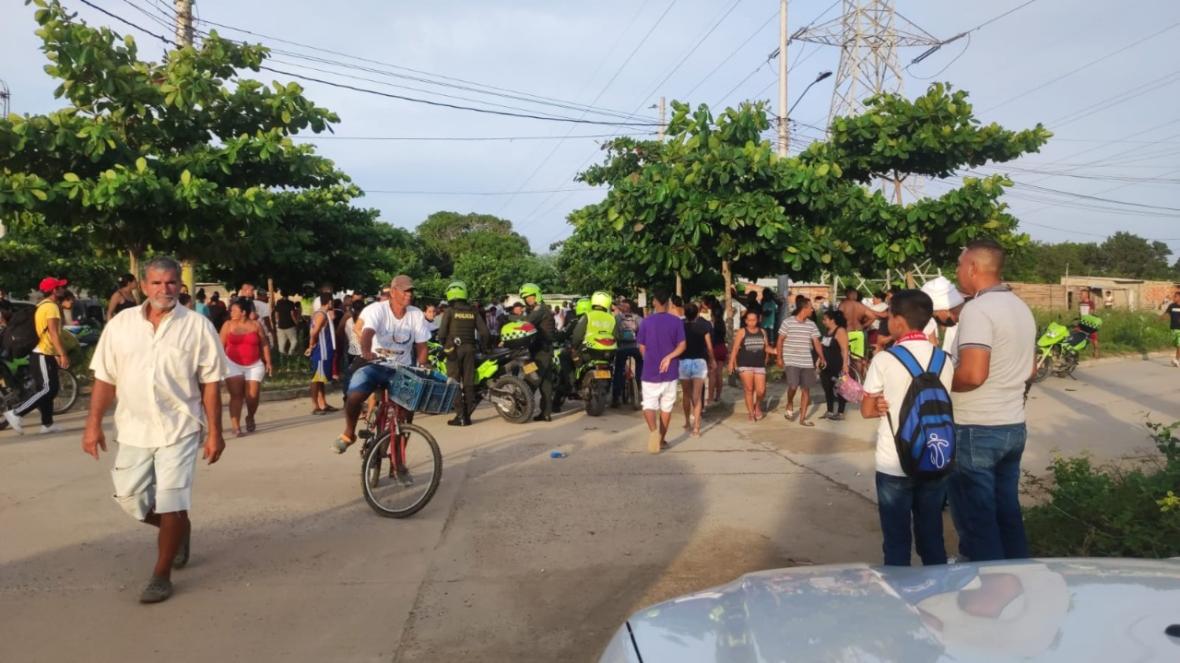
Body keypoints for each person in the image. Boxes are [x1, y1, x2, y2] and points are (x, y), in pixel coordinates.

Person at [82, 256, 228, 603]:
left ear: (181, 285)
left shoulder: (197, 326)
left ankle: (161, 574)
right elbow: (104, 377)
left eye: (172, 283)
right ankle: (178, 529)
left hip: (179, 426)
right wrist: (92, 426)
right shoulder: (121, 325)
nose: (165, 289)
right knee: (129, 498)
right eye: (157, 283)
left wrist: (215, 432)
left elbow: (210, 383)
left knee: (172, 499)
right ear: (143, 286)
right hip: (133, 426)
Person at [950, 238, 1037, 562]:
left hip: (976, 429)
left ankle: (988, 600)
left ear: (972, 267)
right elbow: (1029, 368)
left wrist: (940, 385)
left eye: (959, 265)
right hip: (1012, 425)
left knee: (978, 522)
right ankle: (1015, 582)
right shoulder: (1020, 307)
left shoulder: (978, 309)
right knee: (1006, 514)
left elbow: (972, 374)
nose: (958, 271)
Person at [860, 289, 954, 567]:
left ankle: (899, 601)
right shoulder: (944, 359)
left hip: (894, 463)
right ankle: (936, 597)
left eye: (889, 314)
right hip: (936, 457)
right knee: (932, 537)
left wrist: (877, 405)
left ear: (898, 320)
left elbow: (866, 410)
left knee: (897, 542)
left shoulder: (885, 359)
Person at [335, 275, 430, 456]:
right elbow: (368, 333)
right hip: (377, 364)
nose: (409, 295)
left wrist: (423, 364)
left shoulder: (416, 314)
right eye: (405, 291)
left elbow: (422, 346)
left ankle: (398, 461)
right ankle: (349, 433)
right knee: (354, 396)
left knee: (408, 411)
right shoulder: (377, 310)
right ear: (393, 292)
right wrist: (366, 351)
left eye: (411, 291)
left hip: (402, 369)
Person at [3, 277, 71, 435]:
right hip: (42, 353)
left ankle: (47, 424)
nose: (62, 289)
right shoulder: (51, 307)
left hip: (41, 352)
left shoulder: (41, 305)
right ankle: (16, 413)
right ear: (54, 291)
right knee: (48, 388)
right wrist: (62, 354)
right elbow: (53, 333)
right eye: (59, 287)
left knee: (48, 389)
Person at [637, 289, 686, 453]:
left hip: (650, 370)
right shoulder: (677, 322)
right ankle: (662, 439)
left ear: (654, 302)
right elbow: (682, 346)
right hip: (670, 371)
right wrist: (669, 357)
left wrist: (650, 358)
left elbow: (642, 346)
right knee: (666, 407)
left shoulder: (646, 322)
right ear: (669, 303)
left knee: (649, 405)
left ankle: (653, 431)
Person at [437, 281, 489, 427]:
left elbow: (441, 334)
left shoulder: (449, 311)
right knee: (468, 381)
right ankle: (468, 415)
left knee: (453, 382)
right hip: (470, 349)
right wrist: (484, 348)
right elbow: (484, 332)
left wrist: (445, 345)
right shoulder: (473, 311)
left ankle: (460, 416)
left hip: (453, 351)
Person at [220, 300, 272, 437]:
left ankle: (250, 416)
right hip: (232, 363)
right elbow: (220, 345)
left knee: (252, 397)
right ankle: (236, 426)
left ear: (243, 312)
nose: (231, 313)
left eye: (234, 310)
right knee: (236, 395)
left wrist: (268, 361)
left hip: (254, 364)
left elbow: (264, 343)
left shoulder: (256, 325)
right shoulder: (228, 325)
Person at [776, 297, 826, 427]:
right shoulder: (788, 322)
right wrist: (779, 358)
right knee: (793, 385)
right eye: (810, 307)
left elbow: (816, 342)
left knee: (806, 389)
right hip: (791, 359)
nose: (812, 309)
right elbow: (780, 340)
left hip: (806, 361)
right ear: (804, 308)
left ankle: (802, 419)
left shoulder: (811, 324)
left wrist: (822, 357)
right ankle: (789, 402)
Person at [520, 283, 558, 422]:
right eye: (526, 298)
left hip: (540, 351)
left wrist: (512, 321)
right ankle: (546, 413)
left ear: (536, 295)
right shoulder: (542, 308)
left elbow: (527, 323)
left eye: (530, 297)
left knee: (530, 377)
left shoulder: (539, 309)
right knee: (545, 383)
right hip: (545, 350)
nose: (528, 300)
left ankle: (521, 409)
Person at [679, 302, 714, 437]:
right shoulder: (703, 327)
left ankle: (687, 421)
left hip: (684, 362)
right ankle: (697, 428)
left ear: (685, 313)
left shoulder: (680, 327)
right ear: (697, 313)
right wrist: (712, 360)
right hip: (699, 362)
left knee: (686, 395)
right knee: (697, 396)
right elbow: (709, 347)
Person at [728, 310, 769, 421]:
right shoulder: (742, 332)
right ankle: (751, 412)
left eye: (754, 320)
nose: (752, 322)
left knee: (761, 390)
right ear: (746, 321)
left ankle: (757, 406)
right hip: (744, 364)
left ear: (758, 320)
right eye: (749, 320)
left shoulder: (762, 332)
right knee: (749, 389)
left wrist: (776, 352)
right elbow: (735, 348)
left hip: (759, 364)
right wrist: (731, 363)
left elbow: (766, 347)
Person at [305, 294, 337, 416]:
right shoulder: (321, 315)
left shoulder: (320, 314)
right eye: (331, 302)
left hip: (323, 351)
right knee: (316, 379)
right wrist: (311, 345)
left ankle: (322, 403)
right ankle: (315, 406)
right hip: (321, 351)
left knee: (320, 379)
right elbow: (314, 332)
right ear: (329, 302)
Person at [920, 276, 967, 362]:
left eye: (935, 314)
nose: (935, 319)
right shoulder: (967, 317)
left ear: (944, 310)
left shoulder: (971, 322)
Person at [819, 309, 850, 421]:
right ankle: (830, 410)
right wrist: (819, 359)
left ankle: (840, 412)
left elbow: (844, 349)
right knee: (827, 387)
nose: (823, 321)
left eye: (825, 319)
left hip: (838, 365)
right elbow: (823, 347)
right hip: (826, 365)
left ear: (832, 320)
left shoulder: (840, 331)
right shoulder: (827, 331)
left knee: (840, 388)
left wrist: (845, 365)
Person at [612, 298, 644, 408]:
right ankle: (639, 384)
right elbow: (643, 333)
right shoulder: (638, 318)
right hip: (636, 348)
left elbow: (614, 333)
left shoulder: (617, 318)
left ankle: (616, 396)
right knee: (640, 362)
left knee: (619, 367)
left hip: (622, 348)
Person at [336, 299, 366, 399]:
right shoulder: (364, 321)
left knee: (349, 374)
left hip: (350, 349)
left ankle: (347, 395)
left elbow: (340, 332)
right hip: (361, 351)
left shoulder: (348, 320)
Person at [703, 296, 727, 407]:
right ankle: (718, 395)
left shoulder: (710, 324)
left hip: (714, 348)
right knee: (719, 373)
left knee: (712, 374)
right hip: (722, 348)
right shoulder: (722, 323)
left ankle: (710, 397)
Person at [1161, 290, 1180, 368]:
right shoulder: (1172, 306)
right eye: (1173, 296)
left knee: (1179, 344)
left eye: (1175, 296)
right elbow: (1166, 314)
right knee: (1176, 344)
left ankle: (1176, 359)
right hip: (1173, 328)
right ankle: (1177, 359)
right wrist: (1160, 319)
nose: (1173, 298)